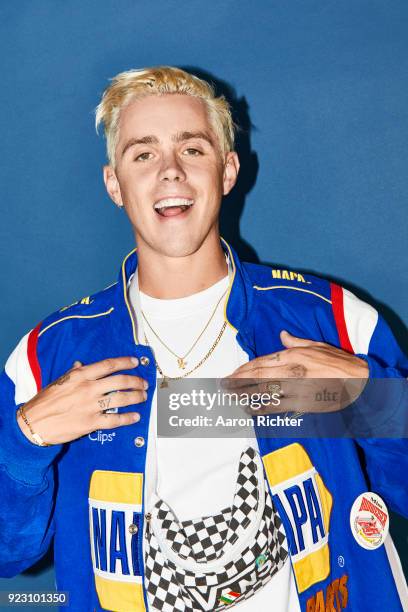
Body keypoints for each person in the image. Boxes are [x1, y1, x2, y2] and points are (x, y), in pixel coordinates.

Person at [0, 66, 406, 612]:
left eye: (192, 149)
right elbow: (9, 554)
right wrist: (24, 443)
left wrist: (372, 398)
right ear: (114, 183)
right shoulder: (45, 356)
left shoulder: (332, 320)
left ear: (228, 170)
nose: (170, 171)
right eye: (143, 154)